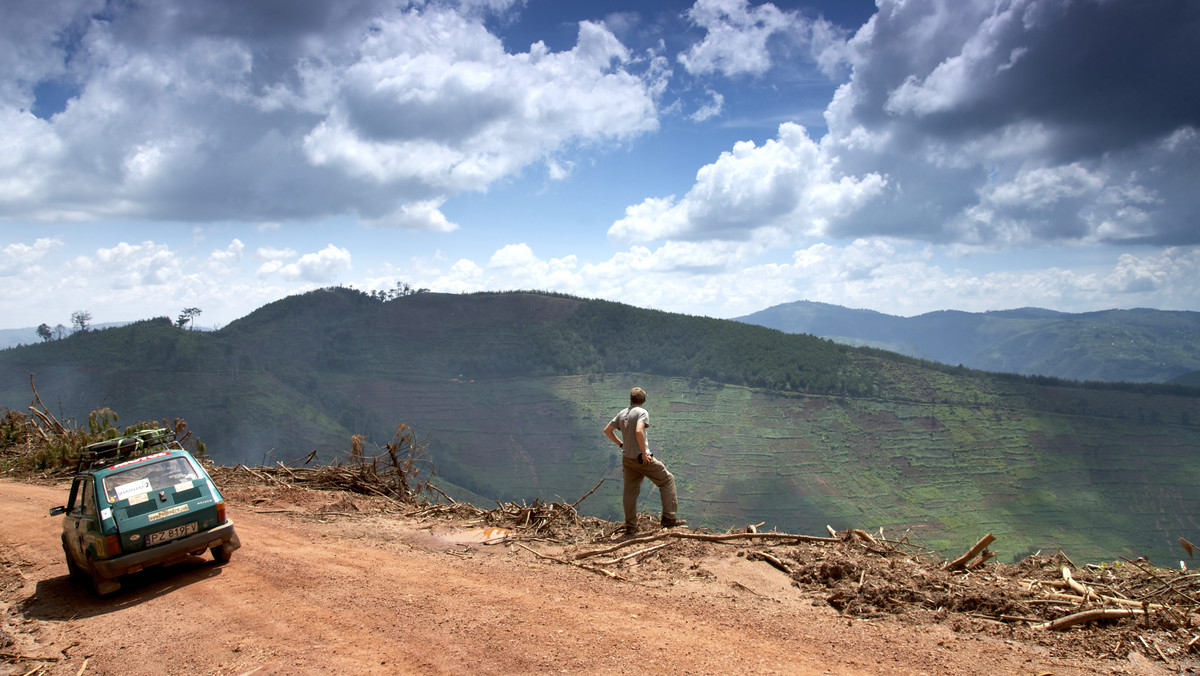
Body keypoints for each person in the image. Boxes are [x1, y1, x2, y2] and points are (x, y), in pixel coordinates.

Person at [603, 387, 686, 535]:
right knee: (667, 480)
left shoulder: (622, 414)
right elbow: (638, 430)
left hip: (627, 458)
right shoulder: (642, 413)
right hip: (641, 458)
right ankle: (669, 518)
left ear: (631, 399)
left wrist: (622, 445)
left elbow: (607, 431)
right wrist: (643, 453)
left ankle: (631, 526)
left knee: (629, 491)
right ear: (643, 400)